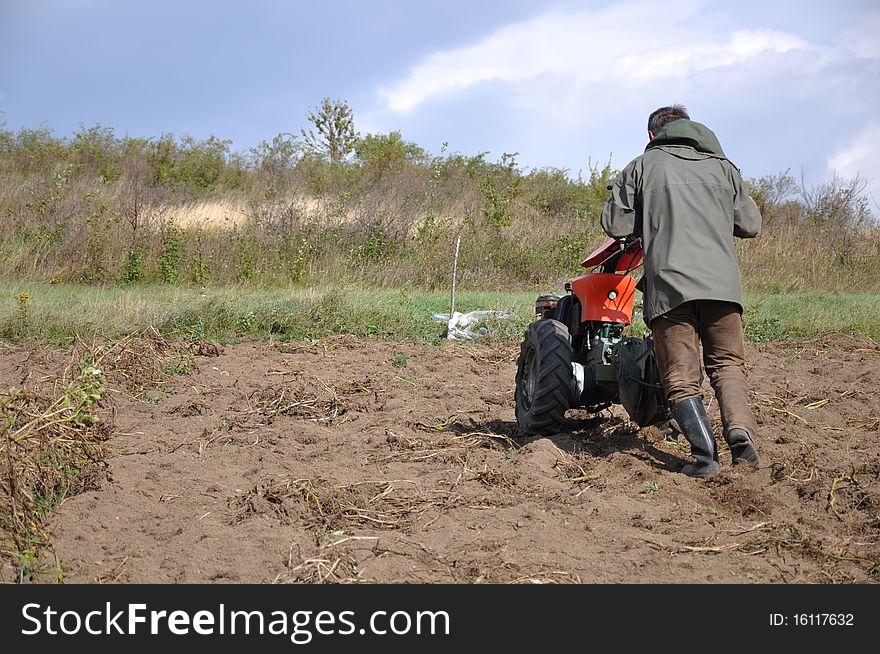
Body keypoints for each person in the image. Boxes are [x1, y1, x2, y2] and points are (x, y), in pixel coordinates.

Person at [600, 105, 762, 478]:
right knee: (728, 366)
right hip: (723, 288)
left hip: (670, 288)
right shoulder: (724, 167)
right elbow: (751, 224)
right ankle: (739, 434)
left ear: (652, 136)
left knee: (680, 377)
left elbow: (614, 224)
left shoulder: (642, 166)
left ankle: (706, 458)